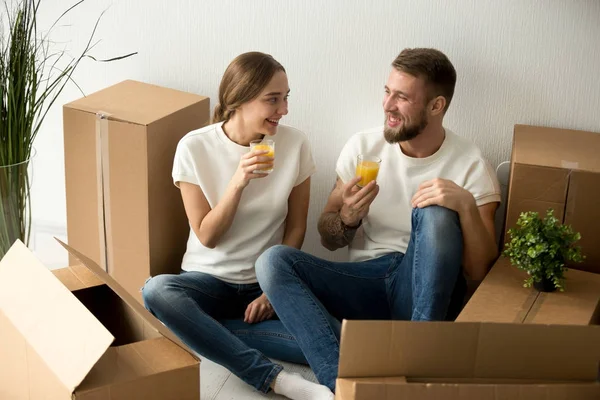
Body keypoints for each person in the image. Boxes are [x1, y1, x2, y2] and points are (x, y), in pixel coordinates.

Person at [256, 48, 501, 392]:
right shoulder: (364, 147)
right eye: (387, 92)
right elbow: (328, 237)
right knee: (273, 261)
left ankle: (415, 366)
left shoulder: (470, 165)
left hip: (424, 294)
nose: (387, 105)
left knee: (436, 209)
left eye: (401, 97)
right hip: (366, 282)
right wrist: (347, 219)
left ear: (436, 106)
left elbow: (481, 275)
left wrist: (464, 206)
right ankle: (346, 381)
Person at [142, 52, 334, 400]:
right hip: (208, 283)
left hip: (265, 285)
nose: (284, 109)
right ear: (239, 100)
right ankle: (278, 380)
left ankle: (206, 333)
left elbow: (295, 228)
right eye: (273, 99)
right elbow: (207, 235)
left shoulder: (295, 144)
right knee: (156, 291)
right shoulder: (194, 147)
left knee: (332, 346)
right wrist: (239, 180)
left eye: (286, 97)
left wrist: (271, 292)